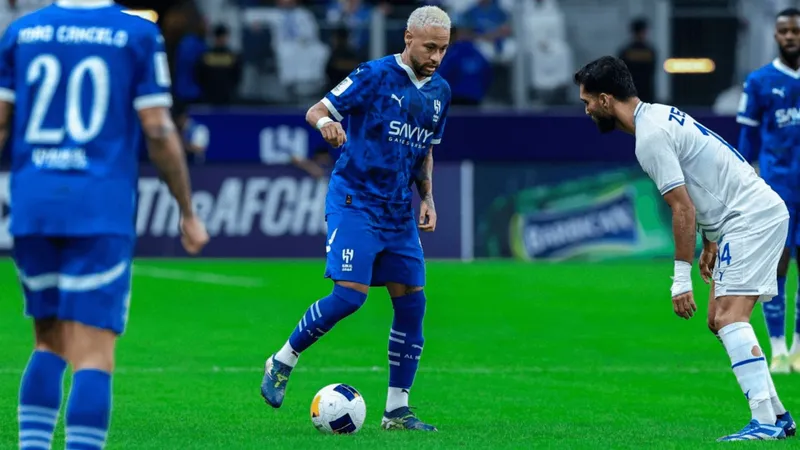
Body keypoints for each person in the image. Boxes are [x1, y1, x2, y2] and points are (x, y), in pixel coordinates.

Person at [1, 1, 209, 448]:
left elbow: (0, 123)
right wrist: (186, 209)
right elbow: (156, 128)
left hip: (32, 205)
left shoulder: (23, 31)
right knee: (93, 353)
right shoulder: (135, 34)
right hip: (97, 207)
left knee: (49, 341)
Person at [574, 55, 795, 441]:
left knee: (730, 318)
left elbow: (682, 207)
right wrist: (710, 241)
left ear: (606, 99)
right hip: (744, 216)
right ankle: (777, 416)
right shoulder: (659, 115)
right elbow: (705, 178)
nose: (588, 109)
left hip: (750, 217)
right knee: (719, 319)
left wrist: (680, 280)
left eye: (588, 101)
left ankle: (764, 423)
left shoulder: (650, 137)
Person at [260, 5, 451, 432]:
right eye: (430, 47)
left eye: (443, 49)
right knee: (350, 297)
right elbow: (316, 110)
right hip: (355, 200)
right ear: (408, 38)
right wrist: (328, 122)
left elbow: (425, 150)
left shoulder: (441, 93)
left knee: (412, 304)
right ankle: (281, 360)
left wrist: (428, 198)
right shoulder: (374, 75)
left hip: (397, 210)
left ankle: (396, 411)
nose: (436, 57)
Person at [737, 7, 800, 374]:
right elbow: (747, 136)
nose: (790, 36)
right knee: (776, 266)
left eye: (795, 31)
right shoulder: (759, 81)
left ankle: (797, 348)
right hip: (776, 189)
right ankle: (777, 347)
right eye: (784, 32)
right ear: (775, 36)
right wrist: (745, 179)